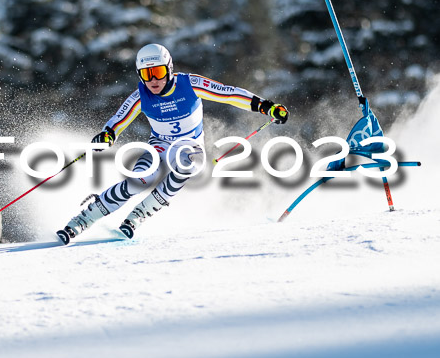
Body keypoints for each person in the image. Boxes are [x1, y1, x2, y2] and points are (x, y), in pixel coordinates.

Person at [56, 43, 289, 244]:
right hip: (159, 144)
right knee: (140, 181)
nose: (154, 80)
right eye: (147, 75)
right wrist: (108, 134)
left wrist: (266, 107)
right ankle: (81, 221)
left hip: (190, 145)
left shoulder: (190, 84)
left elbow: (228, 93)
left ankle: (137, 216)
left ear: (169, 70)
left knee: (190, 165)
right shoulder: (141, 96)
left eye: (158, 72)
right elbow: (120, 119)